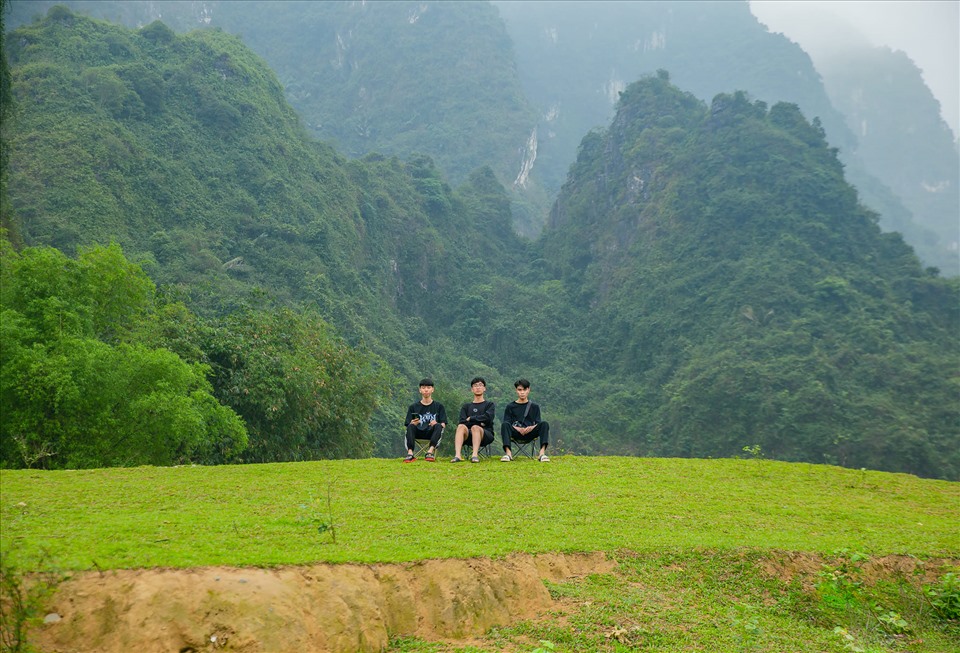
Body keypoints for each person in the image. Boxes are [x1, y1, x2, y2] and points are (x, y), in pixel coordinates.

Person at [500, 378, 550, 462]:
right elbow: (507, 422)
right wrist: (517, 428)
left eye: (524, 389)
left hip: (530, 432)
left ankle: (542, 453)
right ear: (516, 390)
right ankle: (508, 454)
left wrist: (531, 427)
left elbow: (538, 422)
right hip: (515, 432)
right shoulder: (510, 406)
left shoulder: (534, 407)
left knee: (544, 424)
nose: (522, 392)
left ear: (528, 390)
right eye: (520, 390)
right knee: (504, 425)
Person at [451, 377, 495, 463]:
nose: (478, 387)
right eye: (475, 385)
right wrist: (480, 422)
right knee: (460, 427)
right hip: (469, 434)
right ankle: (458, 455)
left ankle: (474, 455)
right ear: (472, 389)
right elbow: (462, 421)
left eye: (480, 385)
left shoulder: (489, 405)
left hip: (486, 434)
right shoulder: (466, 406)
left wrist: (471, 418)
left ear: (484, 388)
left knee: (475, 427)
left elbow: (488, 418)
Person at [402, 378, 447, 462]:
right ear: (420, 390)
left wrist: (436, 423)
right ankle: (410, 453)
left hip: (432, 433)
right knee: (410, 426)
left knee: (438, 425)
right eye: (423, 388)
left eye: (428, 387)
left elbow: (443, 424)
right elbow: (407, 424)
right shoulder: (413, 407)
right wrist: (412, 423)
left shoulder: (439, 406)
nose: (426, 390)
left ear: (432, 389)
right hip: (417, 432)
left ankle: (430, 452)